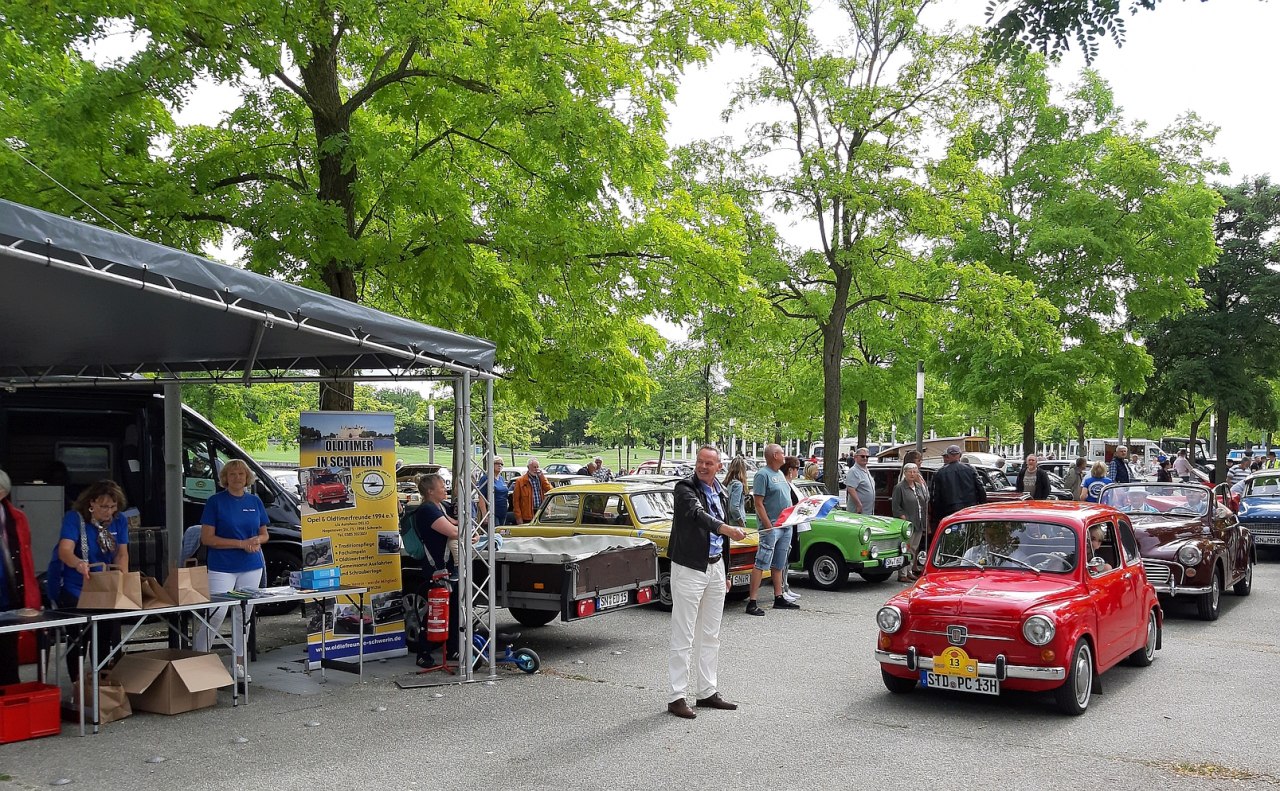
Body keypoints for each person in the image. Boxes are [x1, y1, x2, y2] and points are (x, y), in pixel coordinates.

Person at [666, 445, 746, 719]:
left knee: (710, 634)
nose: (702, 466)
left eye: (709, 463)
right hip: (689, 568)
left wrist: (725, 573)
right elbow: (698, 516)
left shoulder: (721, 492)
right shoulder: (684, 488)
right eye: (700, 461)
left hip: (715, 568)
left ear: (719, 467)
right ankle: (677, 696)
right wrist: (727, 529)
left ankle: (707, 691)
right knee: (683, 634)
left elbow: (722, 538)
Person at [196, 459, 269, 682]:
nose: (237, 478)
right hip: (222, 566)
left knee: (243, 615)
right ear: (225, 478)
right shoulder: (215, 502)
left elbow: (265, 534)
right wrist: (240, 544)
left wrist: (257, 540)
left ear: (248, 478)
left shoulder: (255, 501)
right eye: (232, 474)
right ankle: (199, 661)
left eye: (241, 474)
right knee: (216, 613)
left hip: (251, 565)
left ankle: (238, 665)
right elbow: (207, 538)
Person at [48, 479, 130, 677]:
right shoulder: (74, 518)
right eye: (103, 506)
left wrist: (123, 579)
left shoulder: (120, 520)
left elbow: (122, 553)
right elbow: (65, 550)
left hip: (105, 586)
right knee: (78, 637)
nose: (108, 511)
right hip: (76, 585)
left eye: (112, 506)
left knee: (104, 635)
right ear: (91, 503)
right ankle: (77, 682)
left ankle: (100, 680)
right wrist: (78, 563)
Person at [413, 473, 465, 665]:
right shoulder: (427, 510)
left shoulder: (441, 507)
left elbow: (457, 524)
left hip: (448, 567)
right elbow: (452, 531)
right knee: (436, 611)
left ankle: (453, 649)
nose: (445, 489)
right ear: (430, 491)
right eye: (442, 486)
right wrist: (465, 534)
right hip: (436, 568)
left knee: (452, 610)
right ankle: (423, 652)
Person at [745, 444, 798, 615]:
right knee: (761, 562)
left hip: (786, 526)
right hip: (772, 527)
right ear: (775, 455)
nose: (785, 455)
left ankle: (779, 596)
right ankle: (752, 601)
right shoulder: (763, 475)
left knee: (779, 563)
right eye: (782, 452)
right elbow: (758, 503)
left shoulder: (781, 474)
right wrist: (768, 526)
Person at [0, 468, 41, 685]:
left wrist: (31, 597)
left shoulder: (17, 518)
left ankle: (10, 706)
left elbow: (26, 559)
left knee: (8, 656)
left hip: (10, 595)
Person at [928, 444, 987, 544]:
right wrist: (981, 506)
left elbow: (935, 497)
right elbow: (981, 489)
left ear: (948, 456)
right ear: (960, 455)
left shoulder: (939, 473)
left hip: (949, 512)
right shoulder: (970, 469)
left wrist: (937, 516)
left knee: (951, 540)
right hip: (969, 510)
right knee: (970, 537)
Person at [891, 463, 928, 582]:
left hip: (918, 521)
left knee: (913, 548)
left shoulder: (918, 486)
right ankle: (902, 574)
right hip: (907, 523)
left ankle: (910, 570)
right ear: (905, 473)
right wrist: (903, 518)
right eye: (910, 472)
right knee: (905, 548)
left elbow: (925, 500)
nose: (912, 474)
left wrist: (922, 484)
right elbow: (896, 506)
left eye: (915, 472)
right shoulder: (899, 487)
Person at [778, 456, 802, 603]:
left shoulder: (792, 484)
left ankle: (785, 586)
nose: (798, 471)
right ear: (790, 470)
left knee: (788, 559)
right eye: (796, 468)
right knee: (783, 558)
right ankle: (781, 588)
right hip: (788, 524)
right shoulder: (785, 484)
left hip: (794, 524)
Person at [511, 459, 552, 524]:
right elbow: (516, 501)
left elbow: (550, 490)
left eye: (537, 467)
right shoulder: (520, 481)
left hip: (541, 512)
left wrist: (542, 477)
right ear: (528, 467)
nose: (536, 469)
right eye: (534, 467)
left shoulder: (541, 479)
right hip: (527, 515)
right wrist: (518, 517)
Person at [476, 458, 512, 525]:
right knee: (495, 532)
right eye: (497, 463)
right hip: (492, 513)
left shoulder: (501, 478)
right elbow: (481, 497)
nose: (500, 465)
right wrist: (484, 515)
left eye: (501, 464)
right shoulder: (485, 478)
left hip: (503, 511)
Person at [844, 446, 875, 515]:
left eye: (867, 457)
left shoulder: (866, 470)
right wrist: (858, 504)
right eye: (862, 456)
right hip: (858, 512)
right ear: (855, 457)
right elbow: (851, 489)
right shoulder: (854, 471)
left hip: (868, 511)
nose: (865, 458)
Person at [724, 457, 750, 530]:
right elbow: (734, 507)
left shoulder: (727, 483)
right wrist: (741, 522)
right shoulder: (738, 485)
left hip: (728, 521)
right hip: (736, 523)